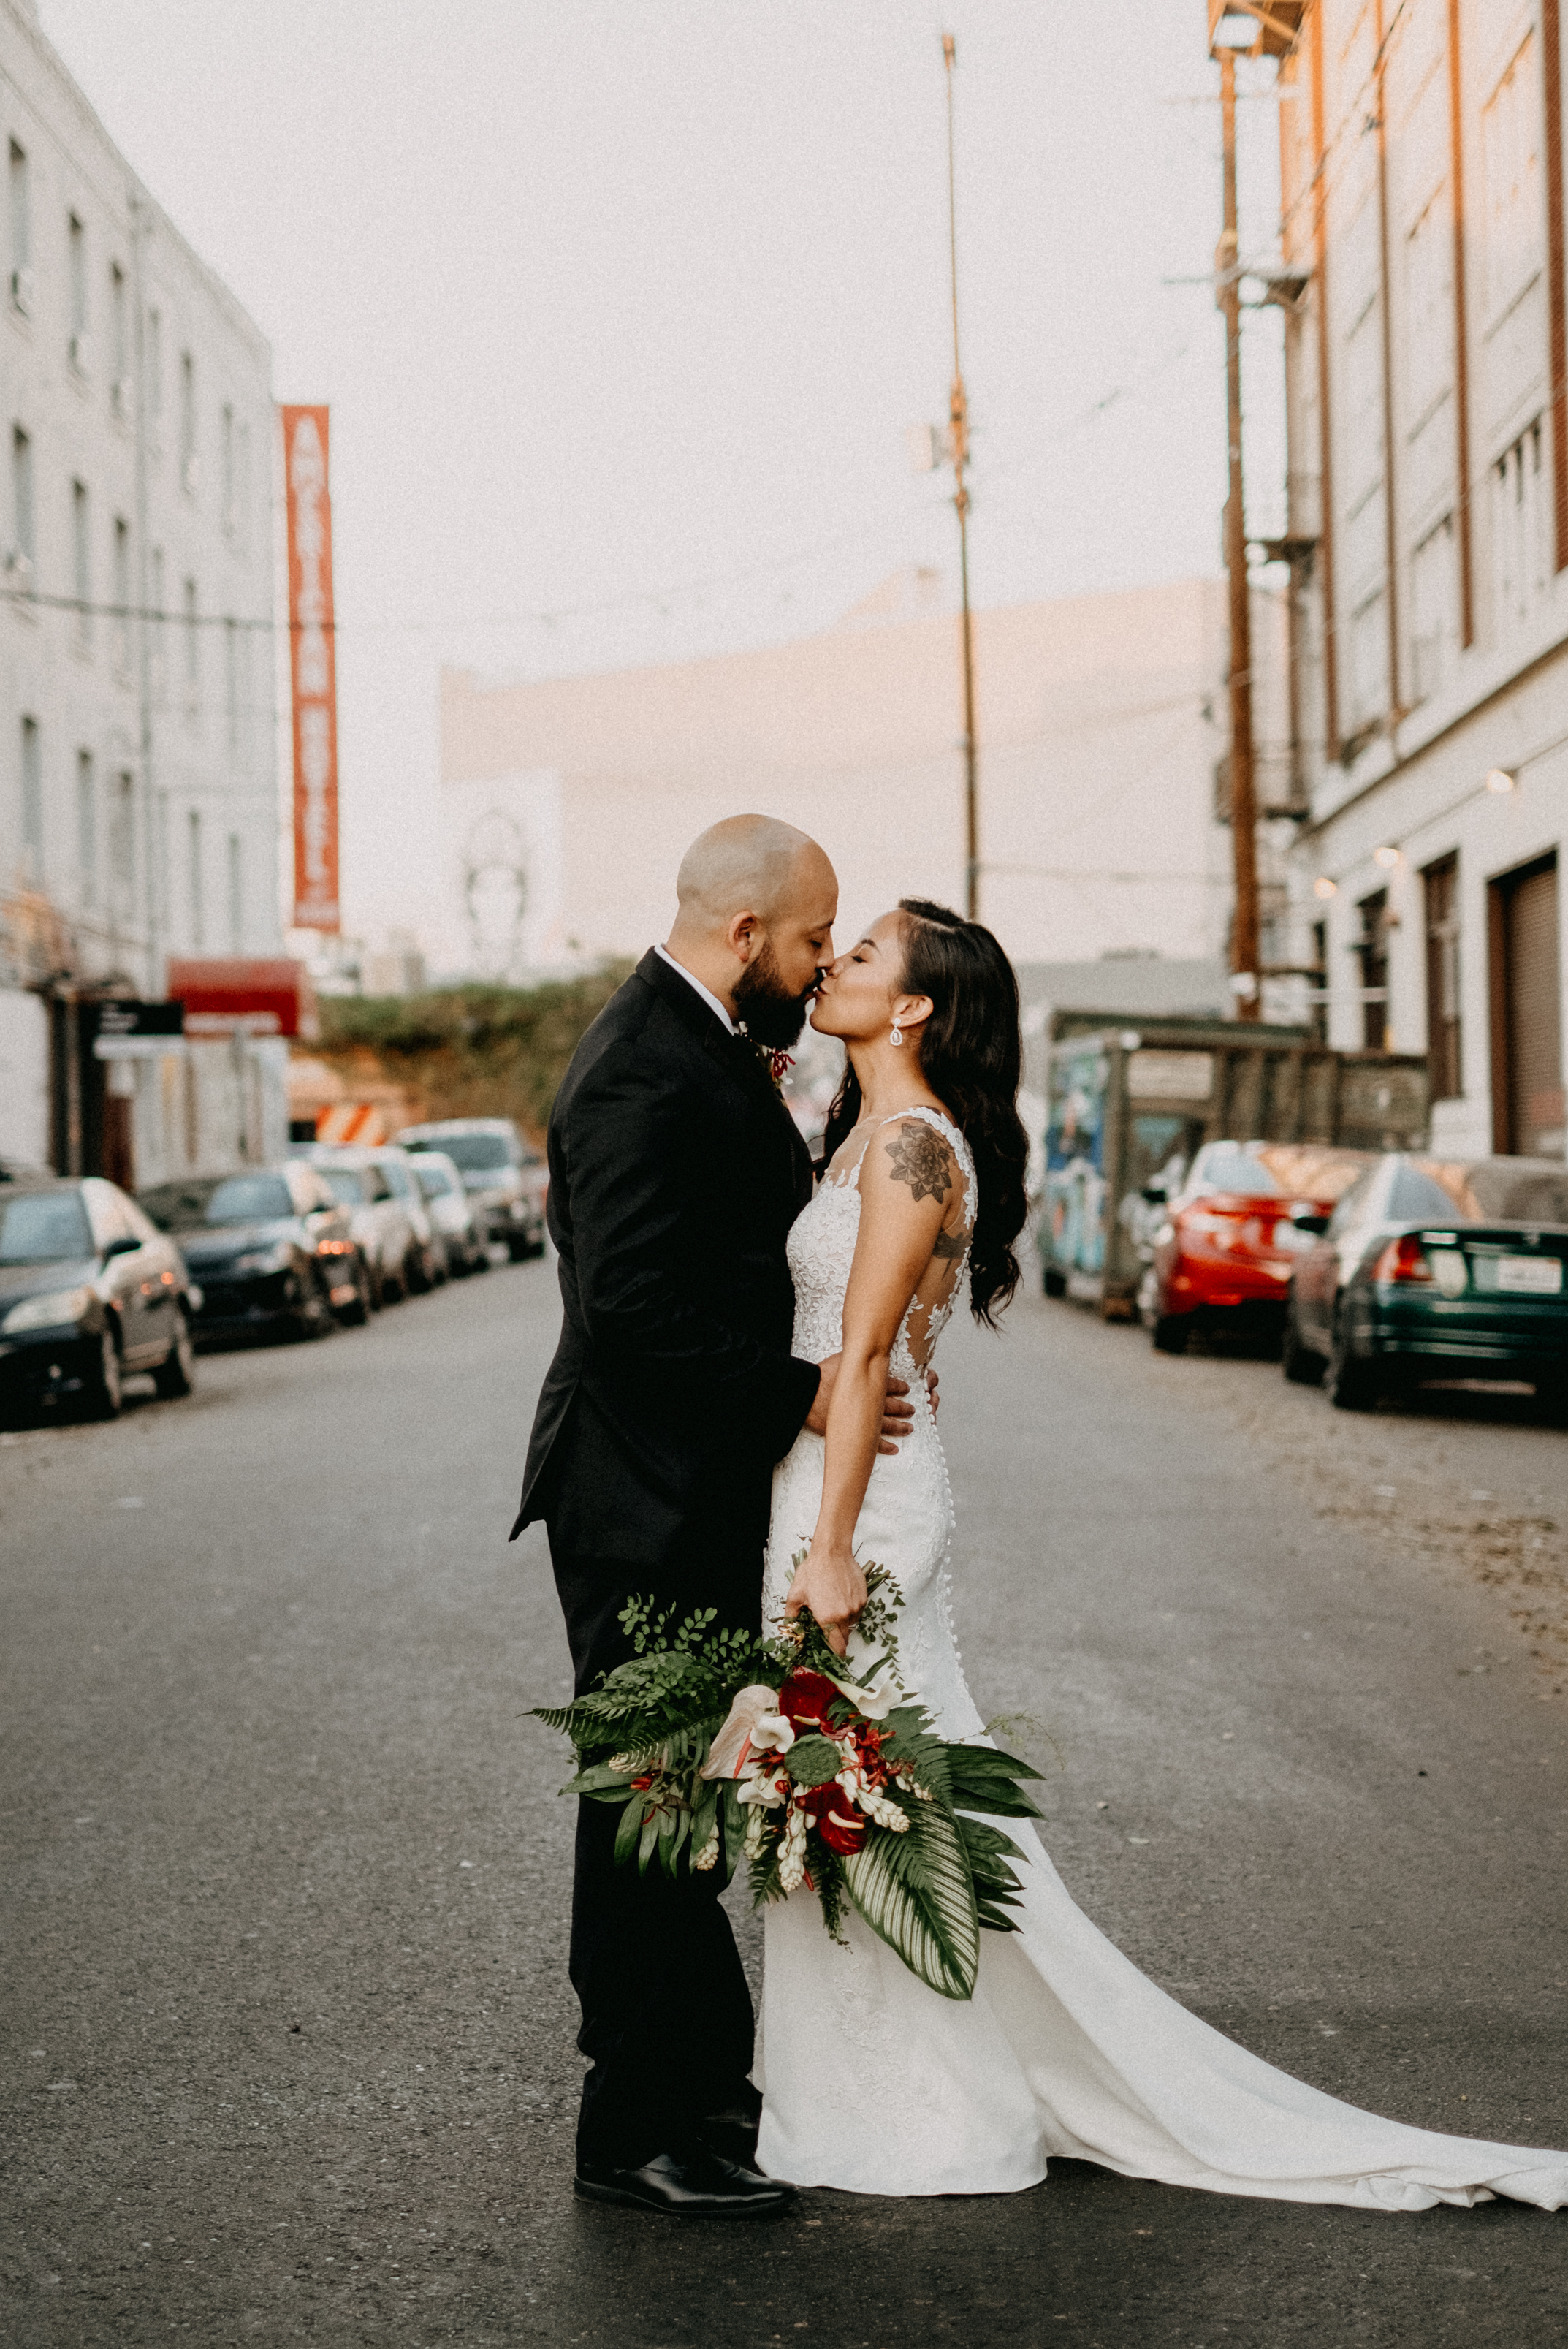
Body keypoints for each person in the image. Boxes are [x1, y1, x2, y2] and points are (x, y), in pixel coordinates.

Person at [754, 897, 1568, 2213]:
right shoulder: (857, 1136)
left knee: (866, 1791)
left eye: (860, 957)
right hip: (832, 1475)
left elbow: (857, 1361)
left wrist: (836, 1546)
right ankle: (854, 2086)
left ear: (910, 1006)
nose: (834, 964)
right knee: (865, 1797)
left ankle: (922, 2109)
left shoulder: (909, 1148)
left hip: (861, 1501)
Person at [512, 815, 926, 2220]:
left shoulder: (696, 1042)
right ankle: (636, 2128)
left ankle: (690, 2099)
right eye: (814, 939)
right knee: (645, 1808)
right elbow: (625, 1311)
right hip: (638, 1494)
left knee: (676, 1797)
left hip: (681, 1483)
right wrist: (808, 1397)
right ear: (746, 935)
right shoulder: (639, 1066)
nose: (821, 968)